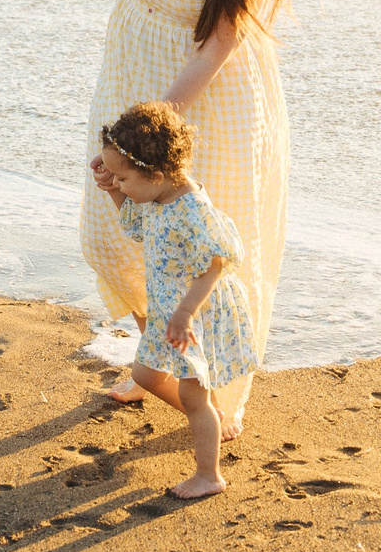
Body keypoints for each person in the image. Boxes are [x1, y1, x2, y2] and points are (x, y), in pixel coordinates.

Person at [64, 0, 304, 432]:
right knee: (109, 236)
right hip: (128, 74)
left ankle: (213, 398)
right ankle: (157, 358)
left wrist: (149, 133)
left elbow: (217, 45)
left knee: (195, 255)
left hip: (208, 103)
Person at [93, 102, 258, 499]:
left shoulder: (191, 210)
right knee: (147, 376)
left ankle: (208, 474)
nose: (119, 183)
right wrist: (116, 191)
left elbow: (216, 263)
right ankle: (213, 419)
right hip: (171, 310)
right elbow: (136, 227)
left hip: (193, 314)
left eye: (124, 177)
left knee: (192, 395)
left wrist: (185, 314)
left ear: (156, 173)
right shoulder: (158, 196)